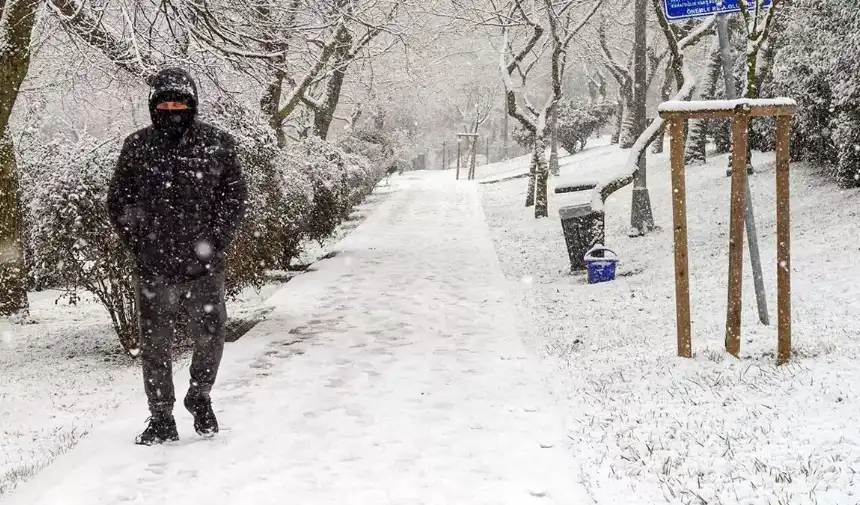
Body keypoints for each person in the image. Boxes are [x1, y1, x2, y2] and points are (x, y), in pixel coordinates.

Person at [107, 68, 248, 445]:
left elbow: (233, 198)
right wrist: (140, 244)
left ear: (192, 103)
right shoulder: (136, 146)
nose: (173, 108)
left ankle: (199, 396)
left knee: (211, 337)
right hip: (154, 268)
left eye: (180, 102)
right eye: (165, 102)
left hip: (203, 266)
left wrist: (216, 243)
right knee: (154, 345)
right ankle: (161, 417)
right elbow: (119, 201)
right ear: (154, 105)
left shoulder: (218, 143)